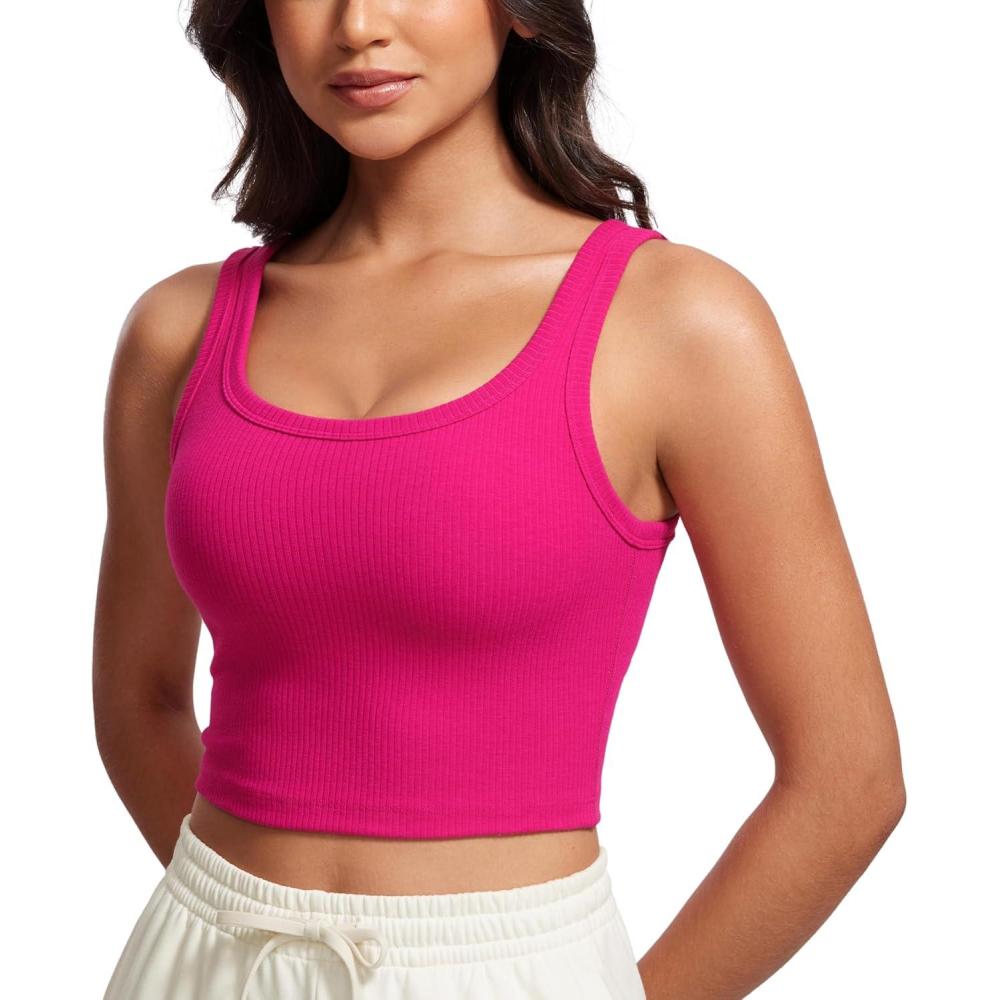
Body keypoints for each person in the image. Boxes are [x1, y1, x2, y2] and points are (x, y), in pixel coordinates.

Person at [94, 2, 906, 998]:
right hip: (195, 955)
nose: (358, 24)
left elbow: (847, 779)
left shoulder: (676, 323)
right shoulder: (178, 330)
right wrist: (229, 912)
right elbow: (139, 701)